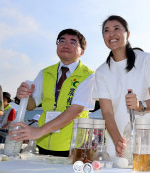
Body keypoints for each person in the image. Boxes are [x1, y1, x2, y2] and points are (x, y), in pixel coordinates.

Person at [93, 15, 150, 165]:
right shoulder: (101, 71)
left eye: (116, 29)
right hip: (116, 138)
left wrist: (140, 105)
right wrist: (118, 140)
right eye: (106, 31)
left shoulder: (145, 59)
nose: (111, 34)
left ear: (128, 34)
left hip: (145, 137)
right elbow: (107, 112)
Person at [11, 29, 95, 157]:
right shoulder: (45, 72)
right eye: (62, 41)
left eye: (73, 42)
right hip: (42, 143)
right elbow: (31, 106)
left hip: (73, 146)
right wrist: (23, 95)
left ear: (82, 52)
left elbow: (76, 110)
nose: (65, 45)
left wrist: (38, 131)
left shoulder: (89, 76)